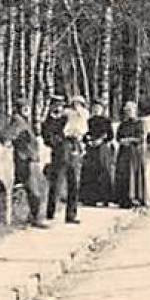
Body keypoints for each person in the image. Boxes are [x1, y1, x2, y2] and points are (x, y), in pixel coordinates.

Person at [4, 108, 51, 228]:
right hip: (26, 160)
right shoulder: (18, 121)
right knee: (35, 189)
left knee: (38, 188)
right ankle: (36, 218)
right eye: (24, 108)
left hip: (29, 159)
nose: (28, 110)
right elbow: (8, 136)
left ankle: (34, 216)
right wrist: (8, 142)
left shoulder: (23, 121)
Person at [46, 95, 87, 223]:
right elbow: (48, 136)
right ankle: (51, 213)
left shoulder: (71, 116)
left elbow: (82, 128)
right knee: (56, 183)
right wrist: (58, 142)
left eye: (61, 105)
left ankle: (71, 214)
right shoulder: (51, 119)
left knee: (74, 183)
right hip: (60, 152)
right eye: (56, 105)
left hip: (74, 150)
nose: (59, 107)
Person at [114, 100, 148, 208]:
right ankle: (124, 199)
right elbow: (118, 137)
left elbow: (141, 137)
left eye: (130, 110)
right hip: (124, 152)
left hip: (135, 152)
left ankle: (137, 198)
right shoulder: (123, 124)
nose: (128, 113)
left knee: (135, 174)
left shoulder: (140, 123)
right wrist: (122, 141)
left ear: (135, 111)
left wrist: (129, 140)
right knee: (124, 175)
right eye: (126, 111)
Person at [82, 101, 116, 206]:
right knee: (90, 172)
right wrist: (88, 139)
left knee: (104, 171)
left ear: (102, 110)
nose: (96, 110)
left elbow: (110, 135)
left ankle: (105, 198)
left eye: (98, 108)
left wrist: (101, 140)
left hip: (102, 149)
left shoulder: (106, 121)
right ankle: (90, 198)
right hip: (91, 149)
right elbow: (83, 134)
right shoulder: (88, 121)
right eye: (94, 108)